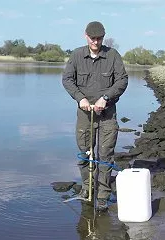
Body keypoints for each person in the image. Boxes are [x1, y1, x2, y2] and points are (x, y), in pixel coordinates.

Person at [62, 21, 128, 211]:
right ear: (86, 36)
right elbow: (67, 79)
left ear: (103, 37)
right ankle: (86, 188)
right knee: (84, 154)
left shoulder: (113, 55)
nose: (96, 42)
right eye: (93, 38)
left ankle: (102, 195)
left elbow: (122, 80)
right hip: (84, 115)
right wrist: (79, 98)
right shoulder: (76, 55)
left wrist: (105, 98)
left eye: (99, 38)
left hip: (107, 114)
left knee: (105, 155)